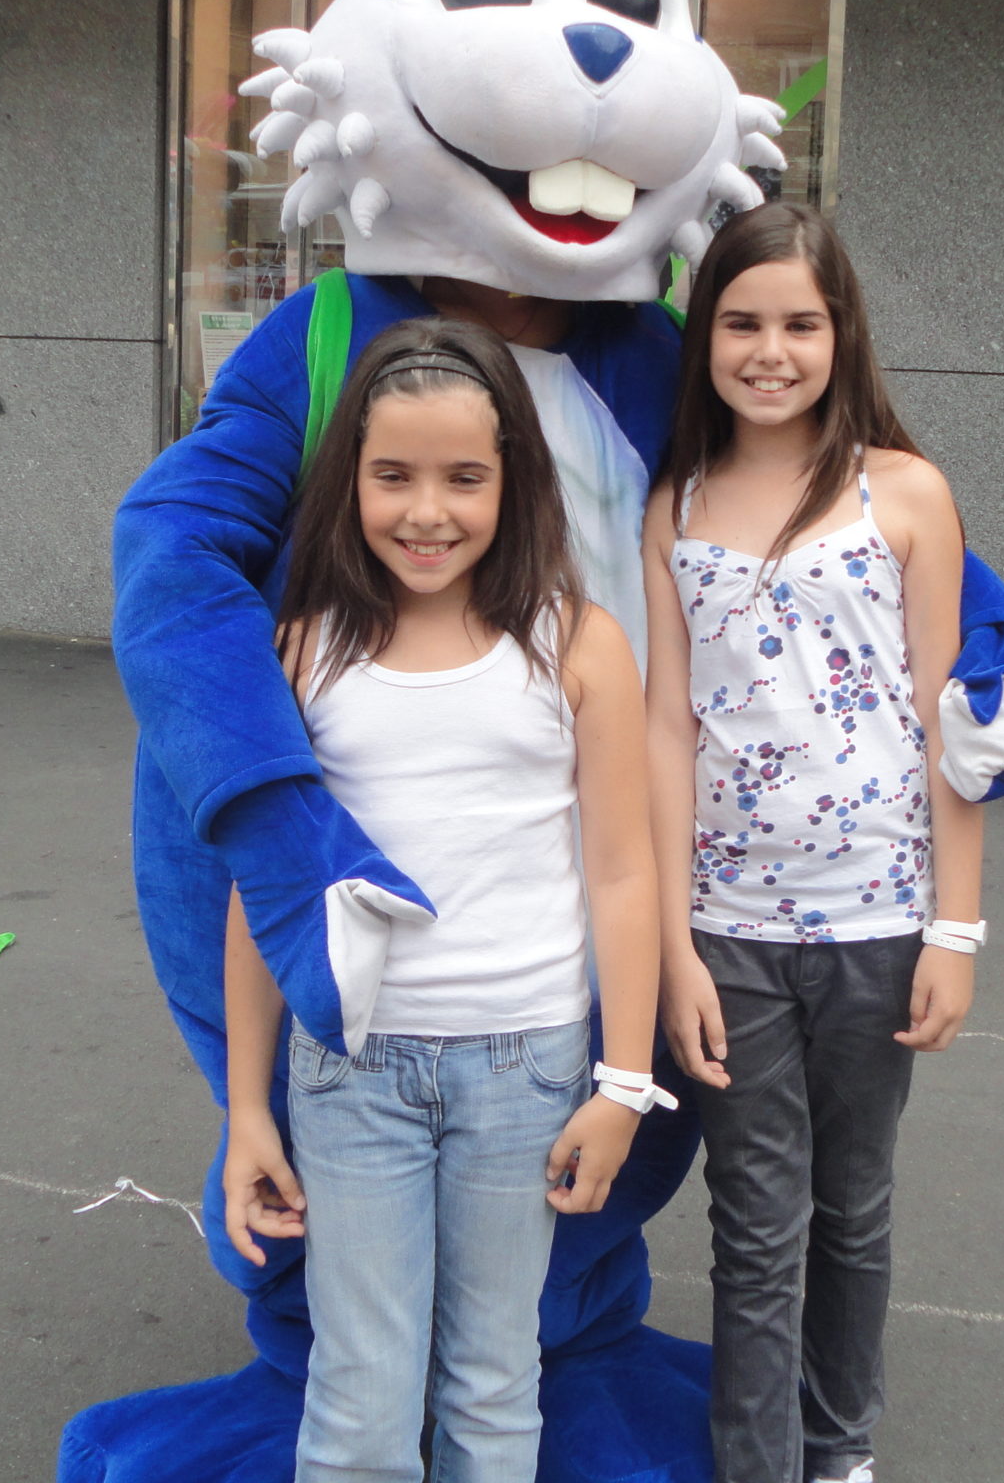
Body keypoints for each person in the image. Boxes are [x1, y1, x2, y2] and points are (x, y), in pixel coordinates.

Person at [220, 319, 673, 1483]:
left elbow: (624, 872)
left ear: (513, 479)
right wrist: (246, 1112)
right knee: (359, 1392)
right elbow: (266, 893)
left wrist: (625, 1083)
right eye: (394, 476)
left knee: (492, 1379)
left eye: (464, 477)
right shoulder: (303, 651)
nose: (428, 511)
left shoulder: (579, 644)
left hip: (527, 1069)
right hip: (349, 1071)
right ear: (349, 481)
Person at [641, 204, 986, 1483]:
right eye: (740, 322)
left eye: (800, 322)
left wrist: (955, 929)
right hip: (727, 932)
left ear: (842, 333)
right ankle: (756, 1464)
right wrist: (671, 944)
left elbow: (953, 724)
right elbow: (665, 729)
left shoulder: (908, 494)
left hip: (880, 925)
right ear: (704, 337)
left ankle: (839, 1453)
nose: (770, 351)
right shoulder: (674, 504)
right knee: (752, 1223)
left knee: (851, 1209)